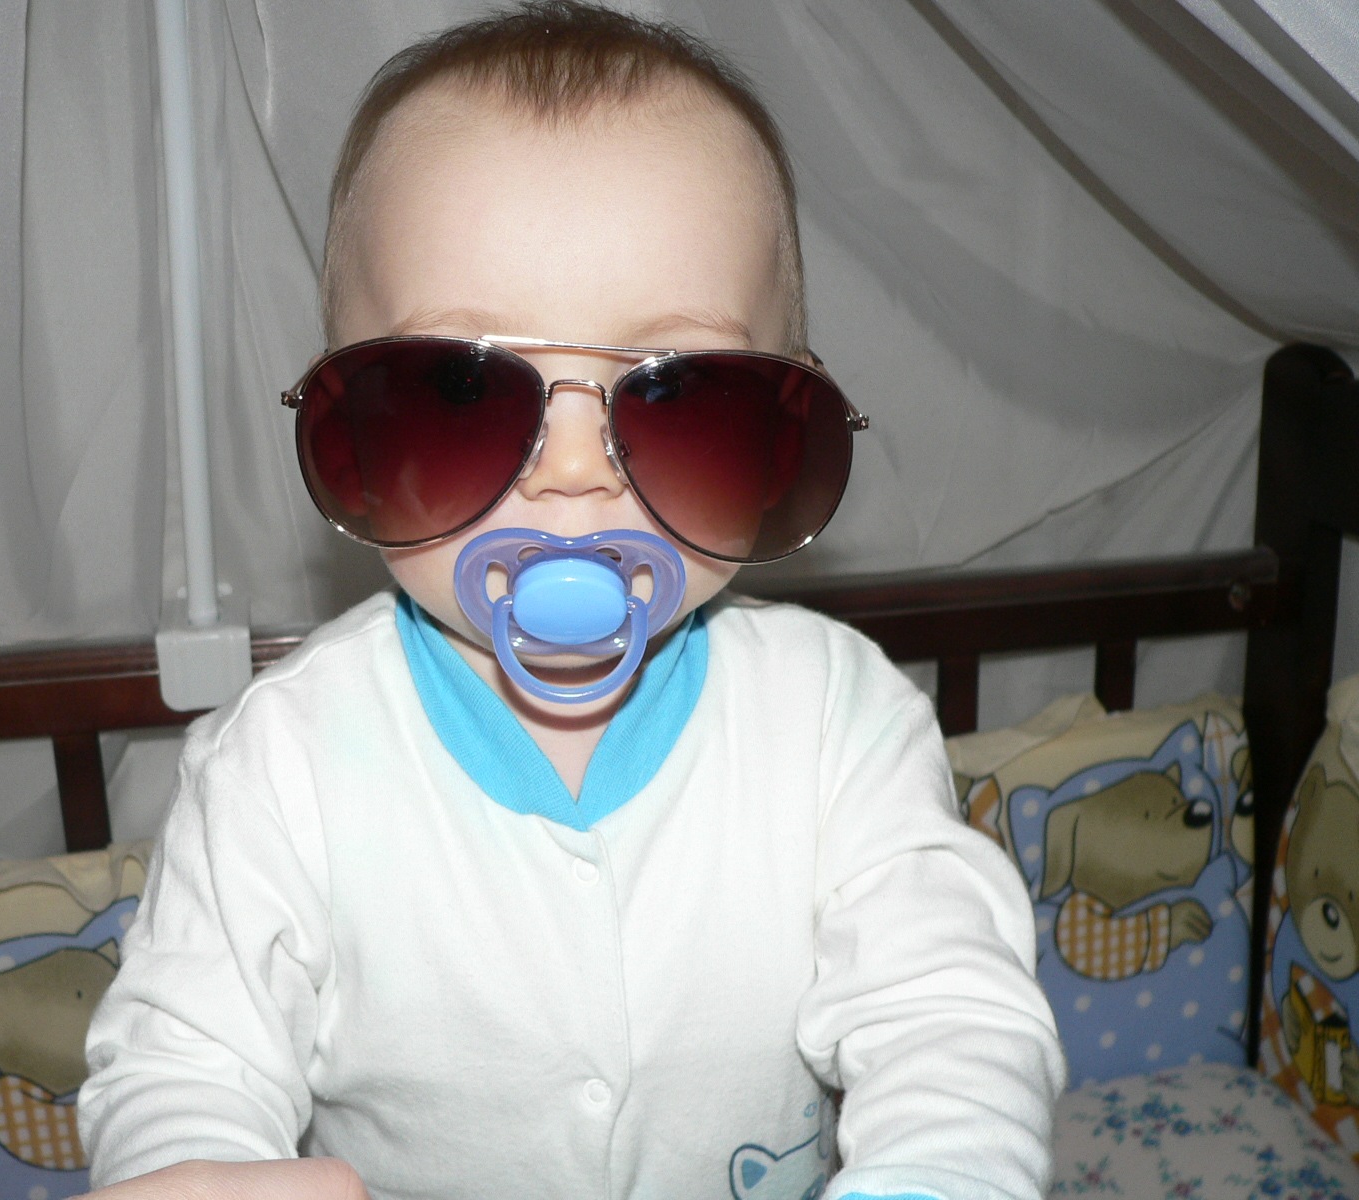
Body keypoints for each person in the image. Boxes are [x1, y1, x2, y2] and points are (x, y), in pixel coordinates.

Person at [77, 4, 1065, 1199]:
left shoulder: (835, 722)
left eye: (680, 395)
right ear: (350, 423)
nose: (572, 469)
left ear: (776, 434)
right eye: (456, 392)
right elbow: (184, 1068)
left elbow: (948, 1013)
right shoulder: (277, 769)